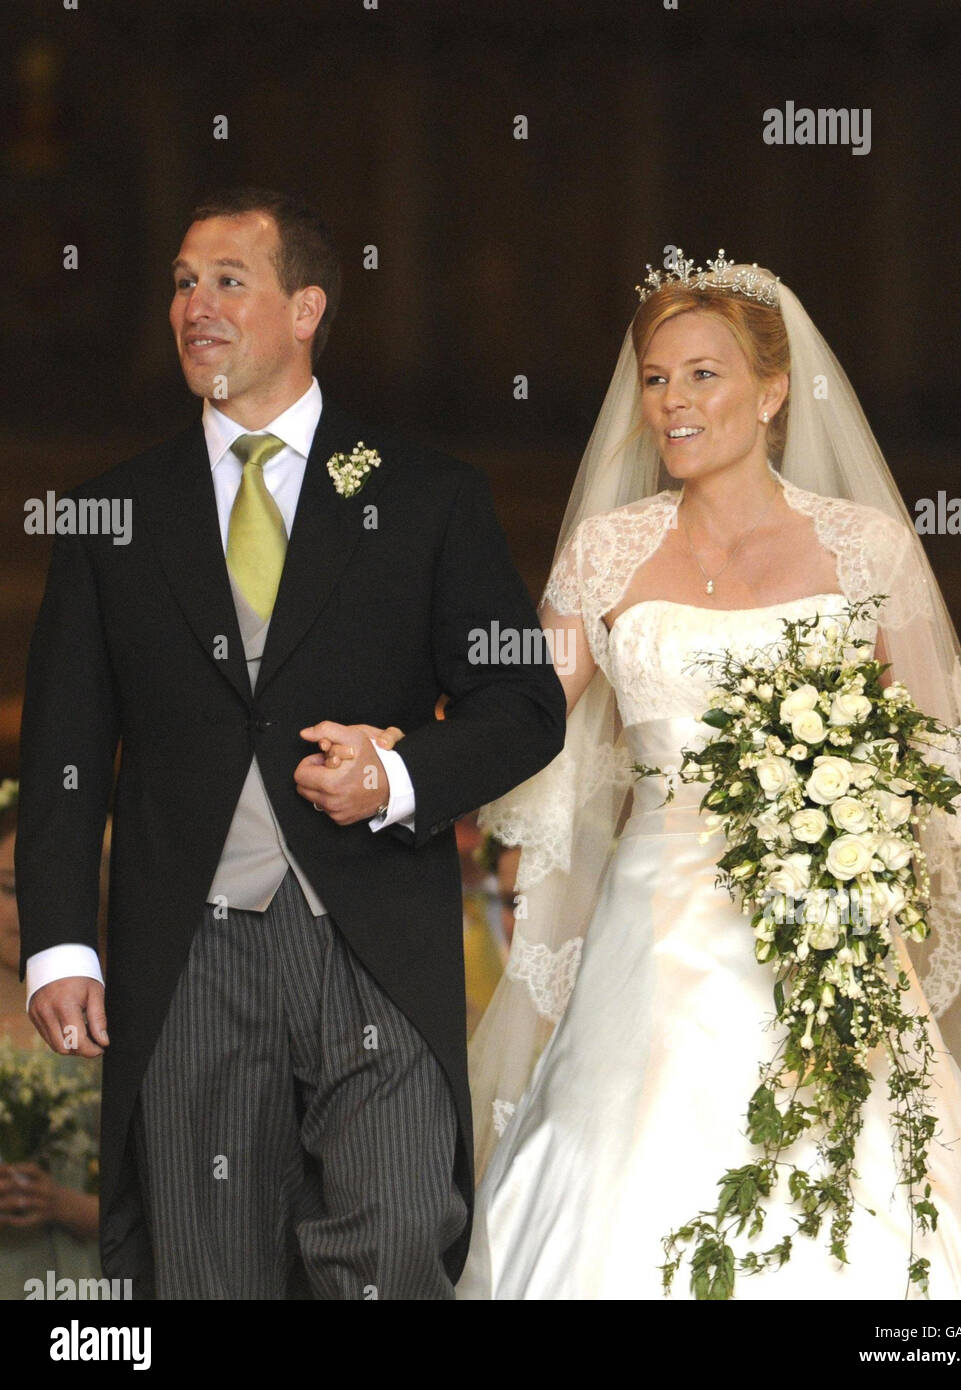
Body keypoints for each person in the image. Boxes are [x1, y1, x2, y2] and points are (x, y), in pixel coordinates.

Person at [457, 250, 961, 1299]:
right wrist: (406, 752)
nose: (673, 402)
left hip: (831, 941)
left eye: (703, 374)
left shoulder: (866, 550)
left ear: (773, 392)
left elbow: (926, 768)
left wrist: (848, 859)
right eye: (655, 377)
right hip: (652, 932)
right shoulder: (608, 552)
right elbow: (521, 720)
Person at [15, 188, 566, 1300]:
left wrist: (400, 772)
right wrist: (62, 942)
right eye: (181, 281)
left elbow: (525, 703)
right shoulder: (110, 514)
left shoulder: (425, 496)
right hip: (192, 950)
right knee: (208, 1269)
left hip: (373, 940)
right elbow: (66, 748)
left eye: (228, 280)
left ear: (307, 305)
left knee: (401, 1232)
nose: (195, 305)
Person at [0, 783, 103, 1299]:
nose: (27, 912)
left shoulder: (111, 1018)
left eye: (43, 889)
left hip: (83, 1274)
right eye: (11, 890)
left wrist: (64, 1205)